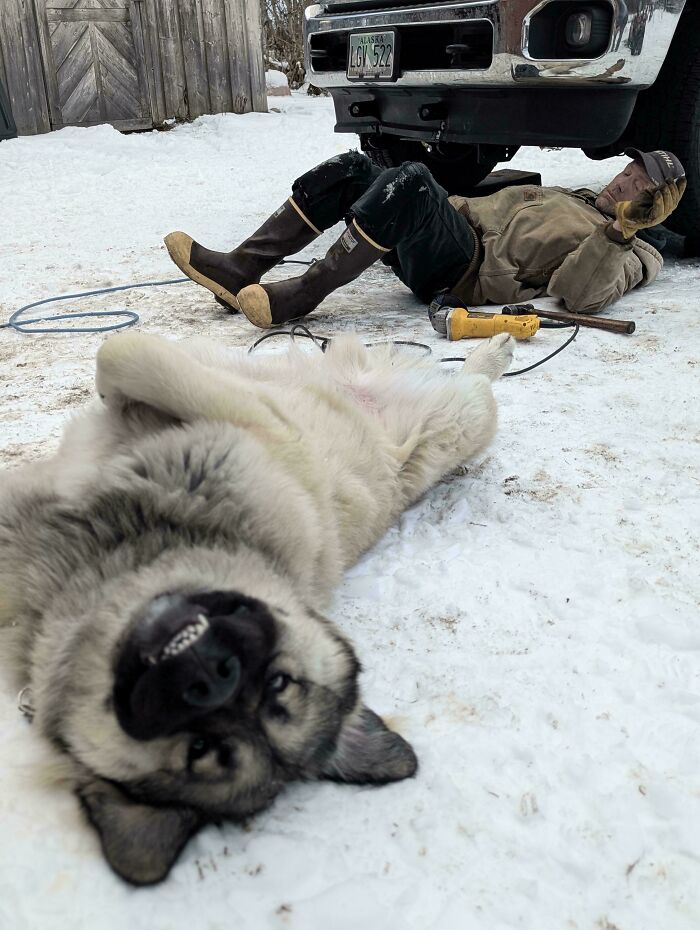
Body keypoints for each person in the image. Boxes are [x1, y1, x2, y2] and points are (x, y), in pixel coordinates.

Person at [164, 148, 686, 329]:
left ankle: (301, 296)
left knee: (410, 180)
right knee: (354, 170)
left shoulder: (636, 253)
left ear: (652, 207)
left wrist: (621, 230)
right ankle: (241, 267)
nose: (624, 182)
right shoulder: (574, 196)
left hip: (466, 272)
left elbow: (581, 294)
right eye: (628, 171)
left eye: (641, 186)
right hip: (449, 235)